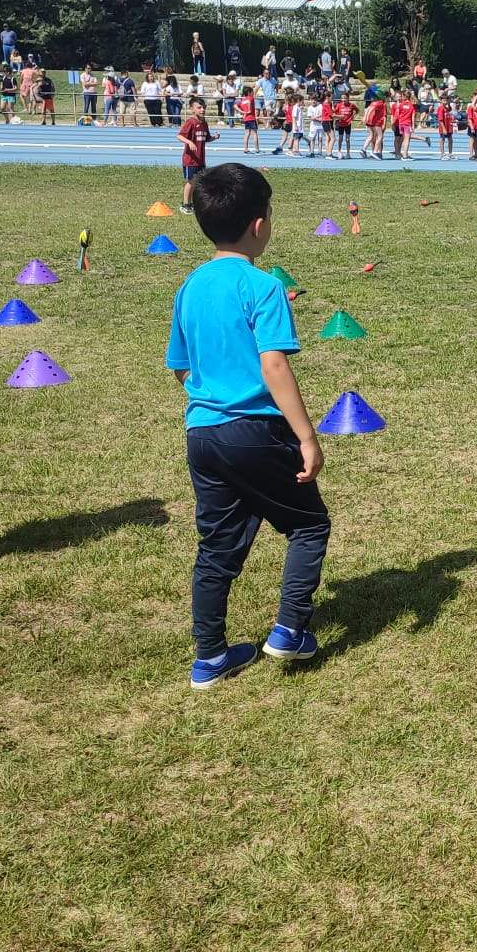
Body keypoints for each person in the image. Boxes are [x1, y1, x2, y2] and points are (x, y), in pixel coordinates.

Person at [166, 163, 331, 688]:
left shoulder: (190, 287)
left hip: (203, 434)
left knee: (217, 546)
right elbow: (274, 365)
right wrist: (306, 435)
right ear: (260, 225)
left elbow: (181, 365)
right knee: (308, 525)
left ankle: (210, 656)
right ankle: (288, 632)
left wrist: (212, 395)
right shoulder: (263, 287)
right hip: (256, 431)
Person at [178, 96, 216, 207]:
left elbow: (206, 138)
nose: (202, 110)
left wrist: (214, 137)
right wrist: (189, 142)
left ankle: (195, 203)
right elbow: (179, 136)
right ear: (192, 109)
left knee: (199, 183)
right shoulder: (191, 122)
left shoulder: (204, 123)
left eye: (203, 107)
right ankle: (185, 204)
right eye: (199, 107)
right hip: (191, 160)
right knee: (191, 182)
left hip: (200, 159)